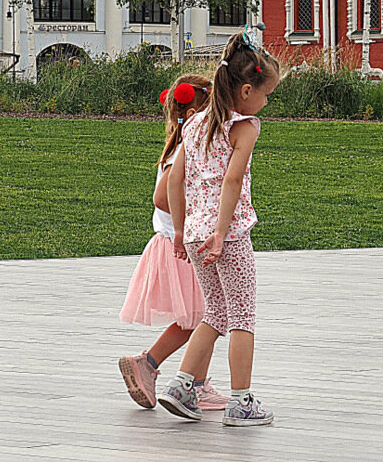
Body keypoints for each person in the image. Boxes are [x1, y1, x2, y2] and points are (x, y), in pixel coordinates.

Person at [158, 31, 281, 426]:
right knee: (242, 316)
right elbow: (232, 180)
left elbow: (174, 181)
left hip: (193, 232)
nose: (266, 103)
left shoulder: (193, 125)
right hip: (227, 235)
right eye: (266, 95)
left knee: (215, 311)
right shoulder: (245, 127)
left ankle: (182, 387)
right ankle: (241, 401)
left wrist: (180, 232)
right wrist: (223, 231)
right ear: (246, 91)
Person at [118, 75, 230, 410]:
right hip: (180, 245)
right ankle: (148, 364)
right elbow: (162, 196)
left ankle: (198, 383)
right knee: (202, 317)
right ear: (196, 112)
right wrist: (199, 210)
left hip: (178, 242)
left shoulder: (184, 143)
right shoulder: (186, 146)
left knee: (205, 314)